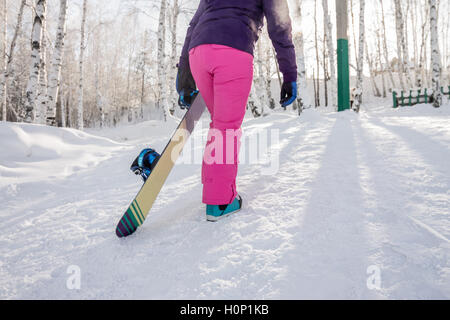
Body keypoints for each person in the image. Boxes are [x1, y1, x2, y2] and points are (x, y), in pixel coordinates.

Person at [176, 0, 298, 221]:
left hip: (198, 52)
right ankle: (220, 202)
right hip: (233, 51)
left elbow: (193, 26)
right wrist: (289, 75)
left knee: (219, 124)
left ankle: (213, 185)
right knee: (226, 126)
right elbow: (279, 24)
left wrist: (184, 77)